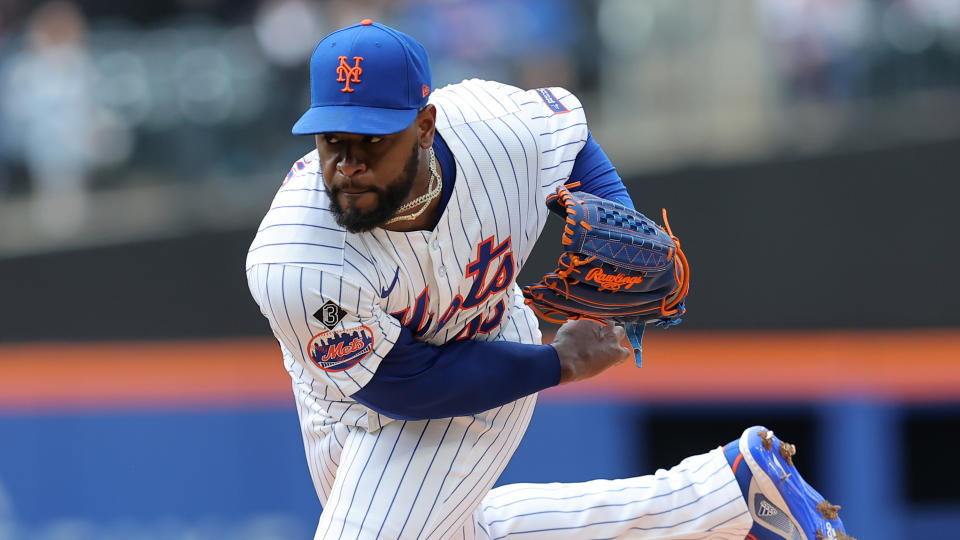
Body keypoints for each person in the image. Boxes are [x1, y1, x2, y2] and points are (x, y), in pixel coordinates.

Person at [246, 19, 853, 540]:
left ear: (426, 125)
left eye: (373, 140)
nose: (348, 164)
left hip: (483, 347)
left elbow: (573, 144)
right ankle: (728, 493)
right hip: (351, 392)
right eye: (332, 140)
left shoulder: (494, 126)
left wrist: (626, 240)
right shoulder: (295, 260)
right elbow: (403, 385)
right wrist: (558, 364)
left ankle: (727, 496)